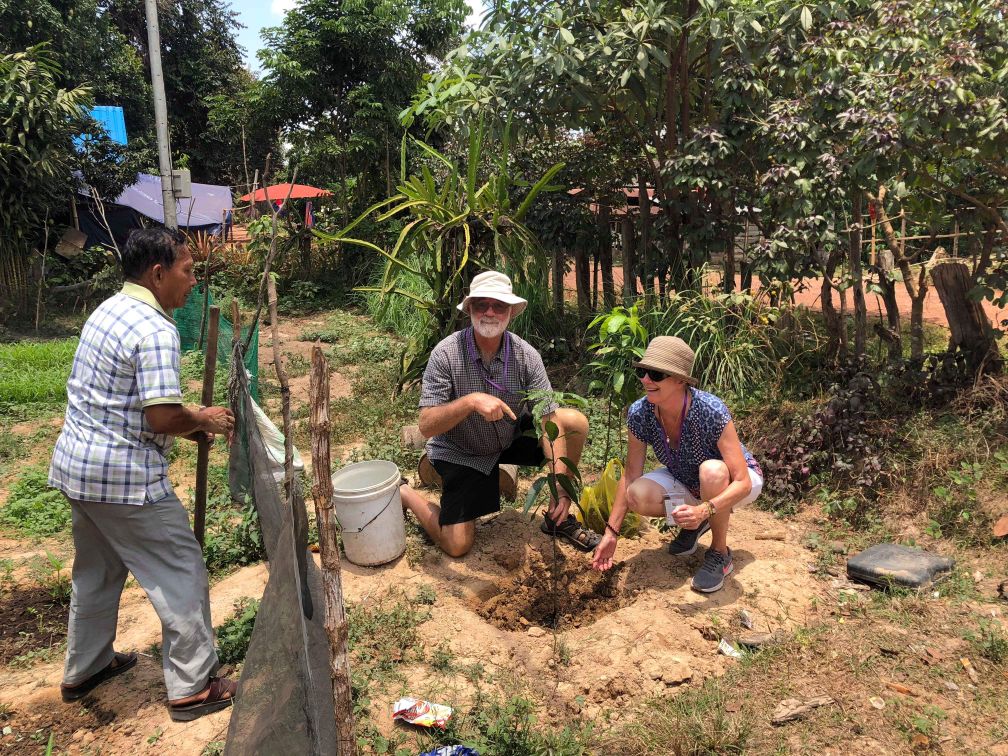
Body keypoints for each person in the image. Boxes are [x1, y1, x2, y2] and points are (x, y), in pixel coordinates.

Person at [48, 227, 238, 721]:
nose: (192, 283)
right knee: (180, 568)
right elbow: (160, 417)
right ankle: (193, 686)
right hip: (124, 479)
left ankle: (85, 668)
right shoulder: (156, 329)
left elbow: (128, 402)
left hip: (79, 470)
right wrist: (201, 419)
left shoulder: (109, 309)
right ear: (158, 273)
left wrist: (185, 419)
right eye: (188, 271)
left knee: (97, 572)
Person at [400, 270, 601, 557]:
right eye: (481, 304)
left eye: (499, 305)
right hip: (461, 449)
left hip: (506, 437)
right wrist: (469, 402)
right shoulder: (446, 354)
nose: (490, 312)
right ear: (469, 309)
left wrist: (561, 487)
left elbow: (548, 419)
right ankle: (406, 494)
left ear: (511, 312)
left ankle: (558, 517)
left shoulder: (526, 355)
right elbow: (427, 425)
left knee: (573, 421)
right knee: (457, 545)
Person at [590, 336, 763, 592]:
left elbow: (742, 481)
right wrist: (611, 532)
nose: (646, 380)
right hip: (687, 479)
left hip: (736, 481)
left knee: (712, 471)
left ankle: (720, 553)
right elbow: (630, 474)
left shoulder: (709, 410)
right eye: (643, 372)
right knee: (637, 494)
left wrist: (705, 509)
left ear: (680, 380)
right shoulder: (641, 413)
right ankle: (696, 523)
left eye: (656, 374)